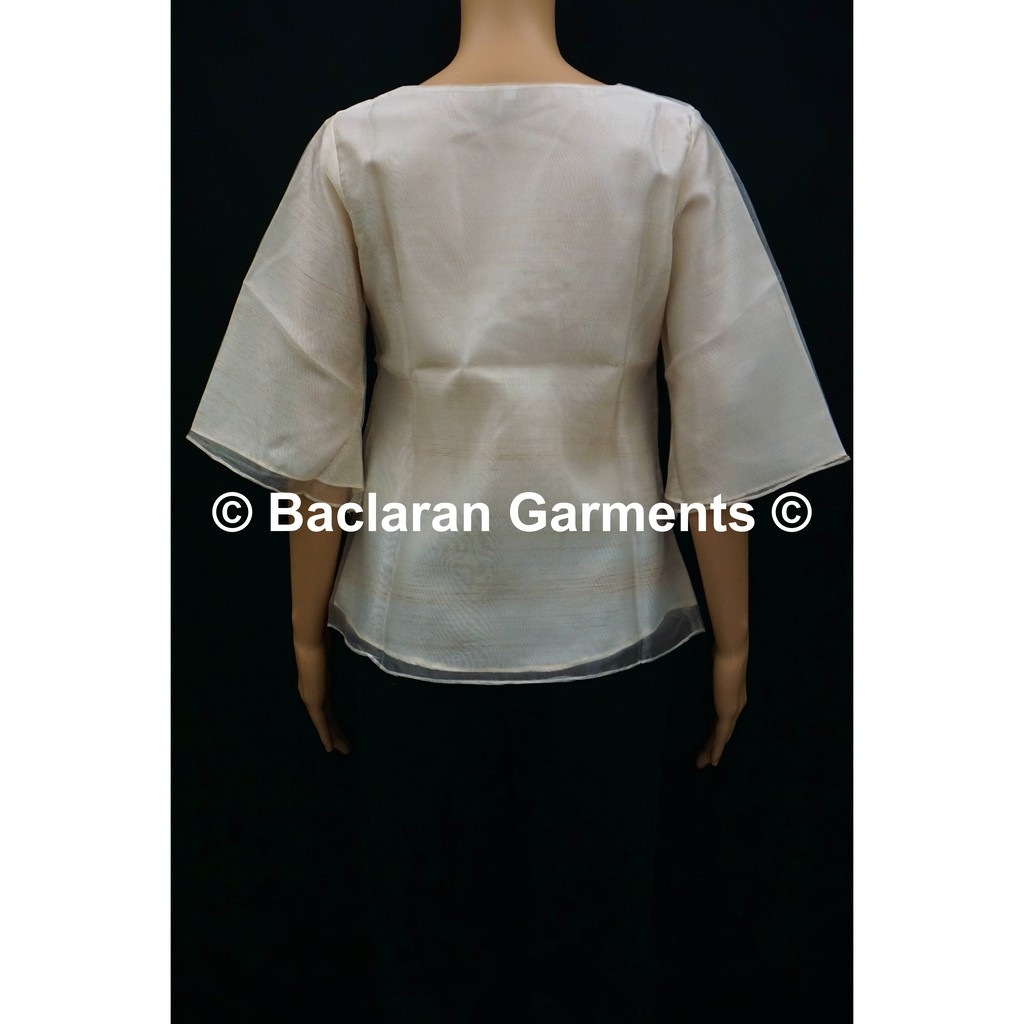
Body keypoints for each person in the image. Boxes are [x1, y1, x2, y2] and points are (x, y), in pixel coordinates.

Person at [185, 2, 849, 1020]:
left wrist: (304, 633)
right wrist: (733, 644)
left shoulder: (360, 146)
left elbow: (313, 419)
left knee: (425, 947)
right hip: (609, 618)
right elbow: (721, 414)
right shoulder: (662, 141)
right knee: (600, 943)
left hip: (410, 619)